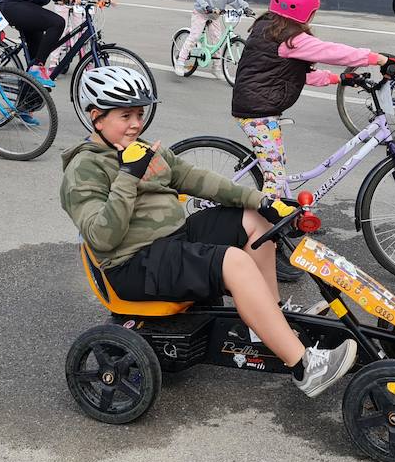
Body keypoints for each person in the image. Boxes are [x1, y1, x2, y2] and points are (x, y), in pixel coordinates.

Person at [60, 66, 358, 397]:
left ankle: (271, 320)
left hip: (171, 242)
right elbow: (103, 237)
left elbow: (197, 179)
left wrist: (262, 201)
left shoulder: (142, 149)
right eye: (125, 115)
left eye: (140, 113)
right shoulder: (83, 168)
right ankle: (305, 368)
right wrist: (129, 175)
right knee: (233, 261)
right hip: (134, 264)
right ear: (97, 118)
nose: (136, 123)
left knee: (255, 221)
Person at [233, 0, 395, 196]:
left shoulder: (269, 27)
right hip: (257, 112)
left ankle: (281, 217)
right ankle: (259, 228)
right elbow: (333, 52)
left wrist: (338, 79)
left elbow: (297, 75)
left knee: (277, 166)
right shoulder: (291, 39)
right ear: (309, 12)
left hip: (260, 107)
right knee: (275, 183)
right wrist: (378, 58)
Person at [173, 0, 252, 77]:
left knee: (217, 40)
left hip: (214, 16)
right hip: (201, 13)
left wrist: (246, 8)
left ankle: (217, 68)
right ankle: (180, 62)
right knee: (194, 36)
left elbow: (236, 0)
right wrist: (207, 7)